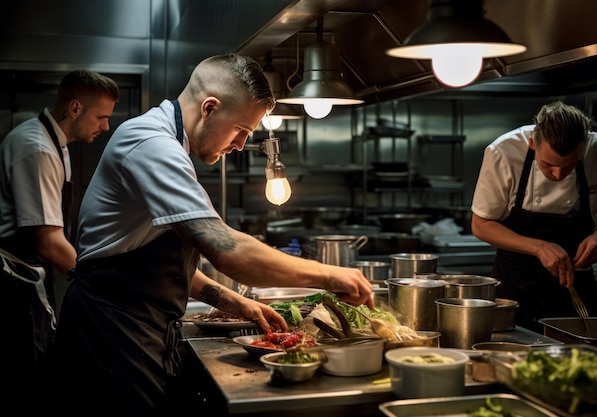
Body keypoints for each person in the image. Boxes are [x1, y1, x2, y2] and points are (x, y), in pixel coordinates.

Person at [48, 53, 373, 415]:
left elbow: (149, 263)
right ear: (210, 108)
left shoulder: (169, 144)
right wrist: (330, 275)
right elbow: (228, 251)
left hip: (131, 329)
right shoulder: (151, 145)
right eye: (241, 131)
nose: (238, 146)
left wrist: (235, 303)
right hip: (107, 338)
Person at [0, 68, 119, 410]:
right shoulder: (35, 148)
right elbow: (48, 242)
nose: (106, 127)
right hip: (14, 283)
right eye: (101, 117)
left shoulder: (57, 145)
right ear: (75, 108)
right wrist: (100, 284)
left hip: (30, 276)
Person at [471, 101, 597, 332]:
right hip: (514, 286)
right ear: (533, 143)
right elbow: (481, 224)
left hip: (575, 285)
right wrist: (540, 248)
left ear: (584, 147)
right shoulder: (503, 151)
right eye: (549, 164)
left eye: (570, 165)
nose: (558, 174)